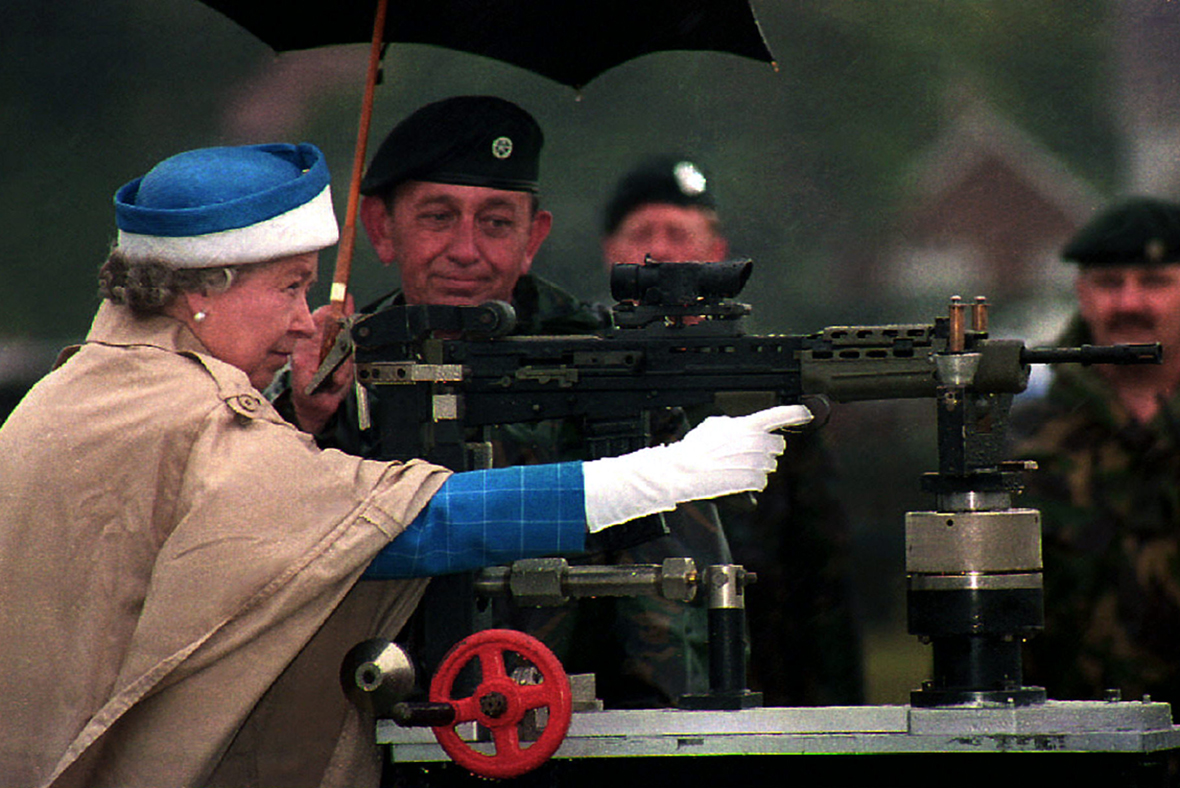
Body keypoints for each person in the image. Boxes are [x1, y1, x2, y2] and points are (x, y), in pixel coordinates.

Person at [0, 142, 807, 788]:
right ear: (203, 290)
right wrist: (659, 477)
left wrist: (300, 416)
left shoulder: (93, 385)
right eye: (288, 288)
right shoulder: (177, 412)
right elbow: (399, 527)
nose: (298, 323)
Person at [594, 156, 865, 707]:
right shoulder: (584, 374)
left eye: (679, 232)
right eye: (642, 233)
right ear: (610, 252)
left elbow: (821, 584)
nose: (662, 251)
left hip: (755, 694)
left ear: (716, 252)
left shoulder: (770, 391)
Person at [1010, 196, 1180, 707]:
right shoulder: (1023, 442)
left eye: (1154, 282)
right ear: (1082, 295)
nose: (1129, 303)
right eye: (1109, 283)